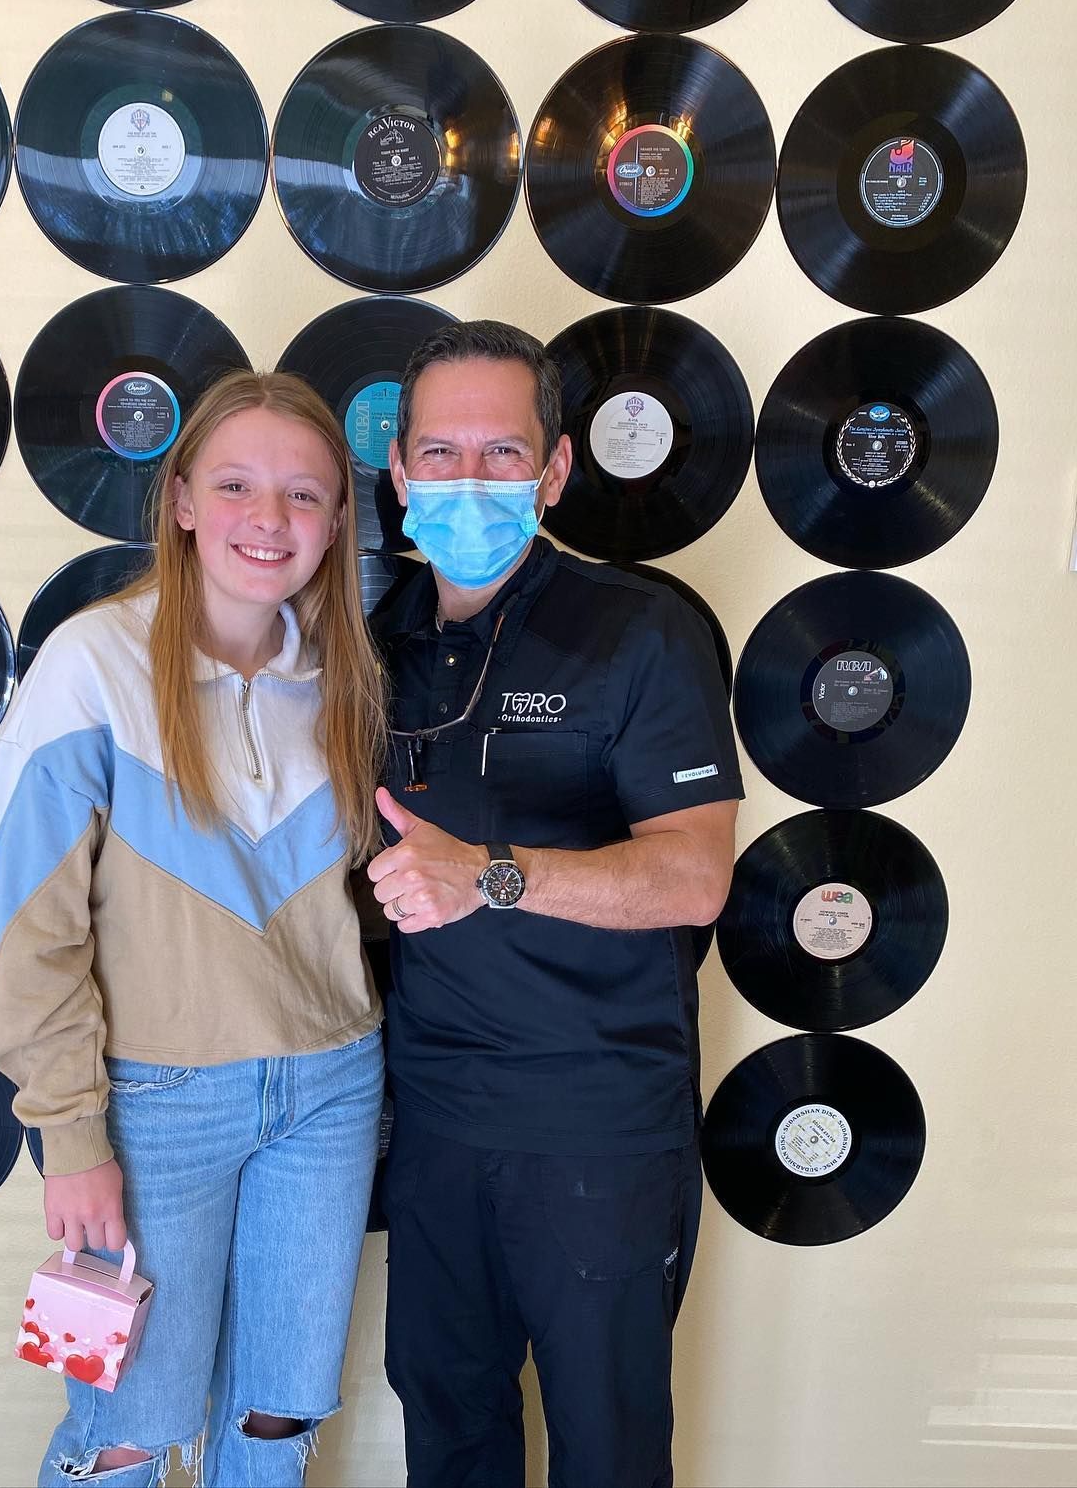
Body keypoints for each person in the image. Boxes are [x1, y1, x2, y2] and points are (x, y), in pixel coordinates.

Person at [0, 370, 387, 1488]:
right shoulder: (89, 667)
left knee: (278, 1418)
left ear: (338, 522)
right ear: (184, 501)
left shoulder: (343, 680)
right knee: (124, 1434)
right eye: (239, 484)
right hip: (152, 1105)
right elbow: (31, 934)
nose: (272, 519)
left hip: (331, 1092)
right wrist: (71, 1137)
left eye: (306, 495)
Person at [365, 321, 743, 1488]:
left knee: (609, 1447)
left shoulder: (642, 632)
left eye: (499, 452)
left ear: (556, 471)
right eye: (439, 453)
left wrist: (491, 872)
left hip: (598, 1132)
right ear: (398, 473)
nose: (466, 478)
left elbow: (694, 873)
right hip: (433, 1125)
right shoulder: (378, 647)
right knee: (450, 1430)